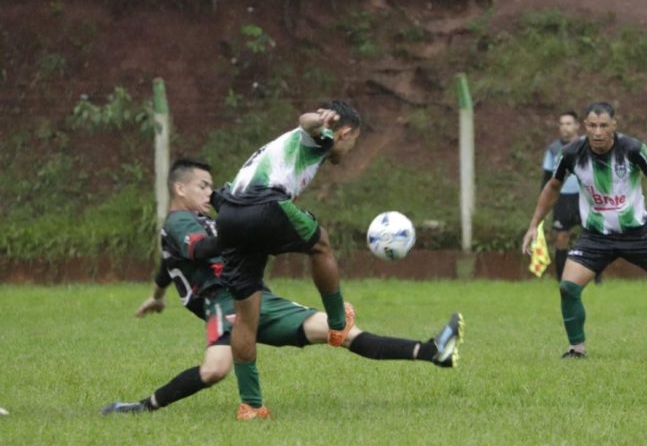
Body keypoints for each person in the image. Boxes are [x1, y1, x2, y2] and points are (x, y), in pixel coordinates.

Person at [101, 158, 463, 416]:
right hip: (223, 302)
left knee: (339, 331)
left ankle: (432, 351)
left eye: (211, 185)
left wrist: (156, 296)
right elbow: (197, 249)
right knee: (214, 370)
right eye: (203, 185)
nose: (210, 192)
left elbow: (168, 263)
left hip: (256, 296)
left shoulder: (201, 220)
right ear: (179, 188)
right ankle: (143, 407)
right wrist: (242, 228)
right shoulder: (179, 221)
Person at [522, 101, 647, 358]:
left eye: (603, 126)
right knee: (568, 288)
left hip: (639, 233)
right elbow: (552, 187)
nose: (598, 132)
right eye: (592, 126)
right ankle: (577, 348)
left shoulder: (633, 149)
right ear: (584, 126)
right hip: (596, 237)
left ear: (614, 125)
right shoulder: (571, 153)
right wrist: (534, 225)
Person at [215, 101, 367, 420]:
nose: (350, 150)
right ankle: (338, 323)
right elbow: (306, 122)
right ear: (345, 133)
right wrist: (318, 120)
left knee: (245, 317)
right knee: (321, 245)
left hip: (229, 213)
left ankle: (251, 406)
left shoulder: (289, 149)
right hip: (264, 205)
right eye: (353, 143)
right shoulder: (321, 137)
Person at [541, 111, 584, 282]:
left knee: (592, 236)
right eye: (562, 124)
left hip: (584, 197)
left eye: (568, 123)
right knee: (561, 238)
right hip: (562, 199)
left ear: (576, 126)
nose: (565, 127)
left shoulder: (586, 146)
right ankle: (561, 279)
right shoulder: (553, 150)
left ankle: (596, 279)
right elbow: (546, 179)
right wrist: (543, 204)